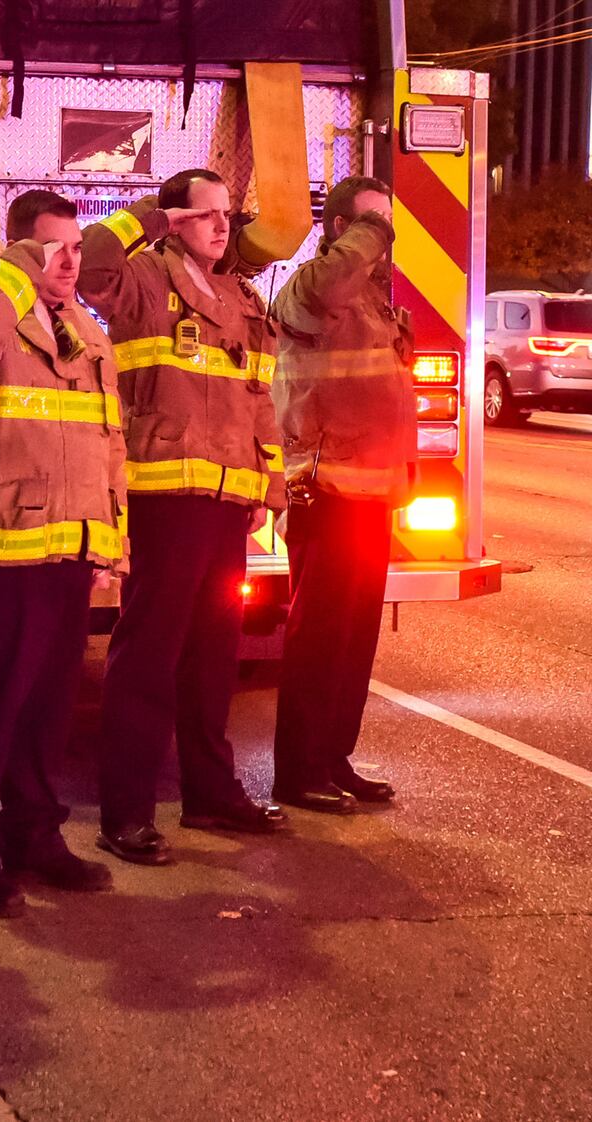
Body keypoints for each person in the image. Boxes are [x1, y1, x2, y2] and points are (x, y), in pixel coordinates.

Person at [79, 169, 289, 867]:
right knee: (148, 655)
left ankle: (210, 792)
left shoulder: (239, 296)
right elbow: (91, 259)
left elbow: (259, 395)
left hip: (227, 503)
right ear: (174, 221)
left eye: (225, 213)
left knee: (211, 654)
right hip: (164, 497)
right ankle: (127, 812)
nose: (221, 225)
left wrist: (271, 479)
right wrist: (153, 217)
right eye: (204, 214)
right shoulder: (142, 280)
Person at [0, 190, 124, 917]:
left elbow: (109, 442)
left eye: (77, 246)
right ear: (17, 252)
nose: (72, 261)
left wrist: (112, 540)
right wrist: (16, 270)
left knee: (47, 709)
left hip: (67, 549)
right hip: (2, 551)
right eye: (53, 248)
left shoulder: (82, 330)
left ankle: (34, 836)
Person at [270, 176, 411, 813]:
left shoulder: (373, 301)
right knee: (319, 636)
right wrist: (371, 235)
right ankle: (298, 772)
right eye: (368, 223)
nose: (382, 234)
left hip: (370, 492)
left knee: (355, 639)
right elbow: (327, 286)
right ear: (338, 231)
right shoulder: (309, 290)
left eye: (386, 222)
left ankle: (333, 757)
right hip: (324, 489)